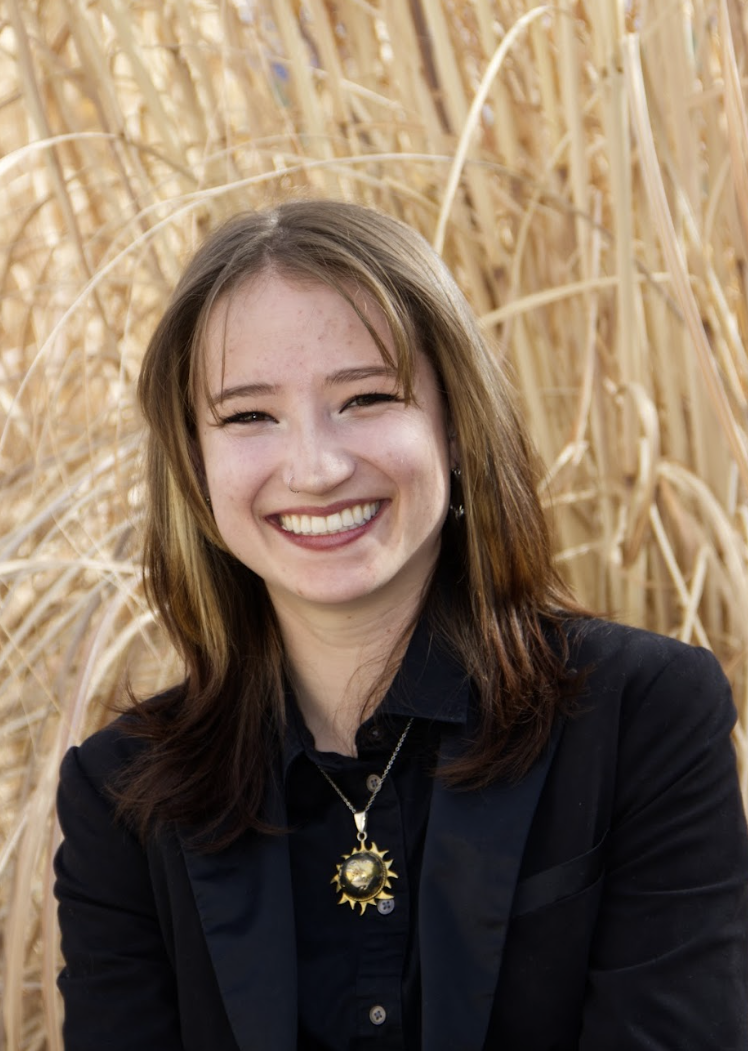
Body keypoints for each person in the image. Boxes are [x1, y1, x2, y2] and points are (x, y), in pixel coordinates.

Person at [54, 200, 748, 1051]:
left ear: (456, 424)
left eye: (367, 397)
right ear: (194, 464)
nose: (315, 468)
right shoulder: (120, 798)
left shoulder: (644, 718)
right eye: (248, 415)